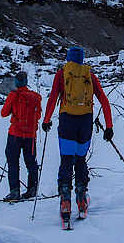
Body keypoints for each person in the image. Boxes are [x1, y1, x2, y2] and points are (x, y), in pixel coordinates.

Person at [42, 46, 113, 223]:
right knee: (80, 160)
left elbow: (53, 98)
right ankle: (81, 198)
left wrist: (46, 120)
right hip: (85, 122)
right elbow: (104, 101)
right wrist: (109, 126)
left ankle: (65, 201)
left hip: (67, 120)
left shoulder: (62, 74)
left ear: (68, 58)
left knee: (66, 160)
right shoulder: (89, 75)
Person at [0, 70, 42, 201]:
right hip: (30, 135)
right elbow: (39, 115)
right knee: (31, 162)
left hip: (15, 134)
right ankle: (32, 189)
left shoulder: (13, 95)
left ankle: (14, 192)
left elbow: (3, 113)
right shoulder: (35, 97)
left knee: (13, 162)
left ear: (16, 82)